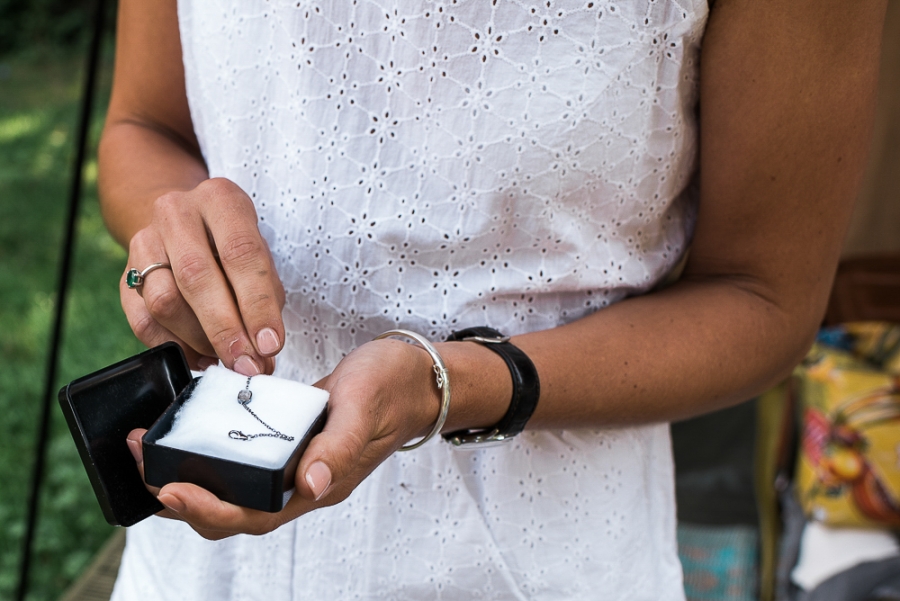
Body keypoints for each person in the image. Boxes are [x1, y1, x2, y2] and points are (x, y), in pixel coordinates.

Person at [98, 0, 887, 598]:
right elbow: (142, 124)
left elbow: (763, 295)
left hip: (533, 563)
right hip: (203, 558)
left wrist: (449, 384)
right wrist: (178, 235)